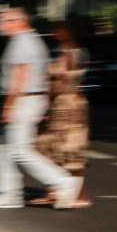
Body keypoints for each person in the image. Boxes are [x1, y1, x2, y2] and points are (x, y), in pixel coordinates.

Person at [0, 6, 83, 210]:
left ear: (19, 21)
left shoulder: (22, 42)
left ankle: (62, 181)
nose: (1, 26)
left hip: (22, 100)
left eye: (5, 21)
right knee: (3, 148)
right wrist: (42, 102)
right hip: (30, 99)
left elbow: (20, 77)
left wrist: (9, 106)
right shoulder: (33, 41)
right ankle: (8, 194)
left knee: (20, 151)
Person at [32, 17, 91, 208]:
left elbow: (60, 83)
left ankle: (77, 195)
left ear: (67, 32)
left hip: (67, 108)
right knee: (59, 149)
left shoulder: (70, 54)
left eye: (58, 30)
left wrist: (45, 102)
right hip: (70, 105)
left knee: (68, 149)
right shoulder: (74, 52)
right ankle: (58, 191)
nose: (55, 34)